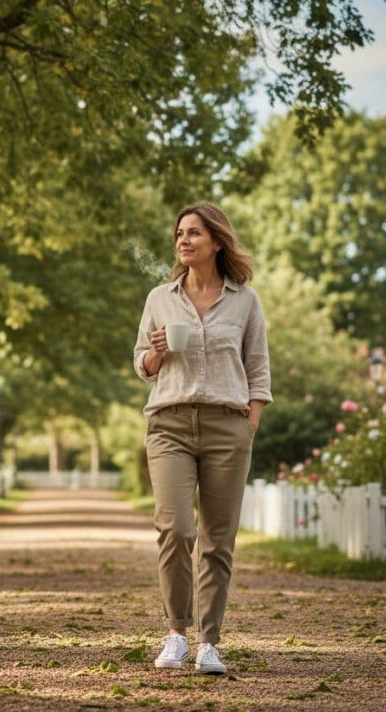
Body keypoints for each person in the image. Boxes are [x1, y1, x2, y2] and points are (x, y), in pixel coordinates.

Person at [133, 202, 271, 675]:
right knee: (176, 528)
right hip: (169, 422)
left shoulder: (245, 301)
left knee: (217, 539)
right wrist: (155, 354)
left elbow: (259, 372)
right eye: (179, 234)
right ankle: (175, 634)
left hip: (227, 425)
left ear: (216, 240)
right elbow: (141, 367)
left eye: (193, 233)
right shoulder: (160, 298)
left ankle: (209, 642)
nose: (183, 240)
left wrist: (247, 426)